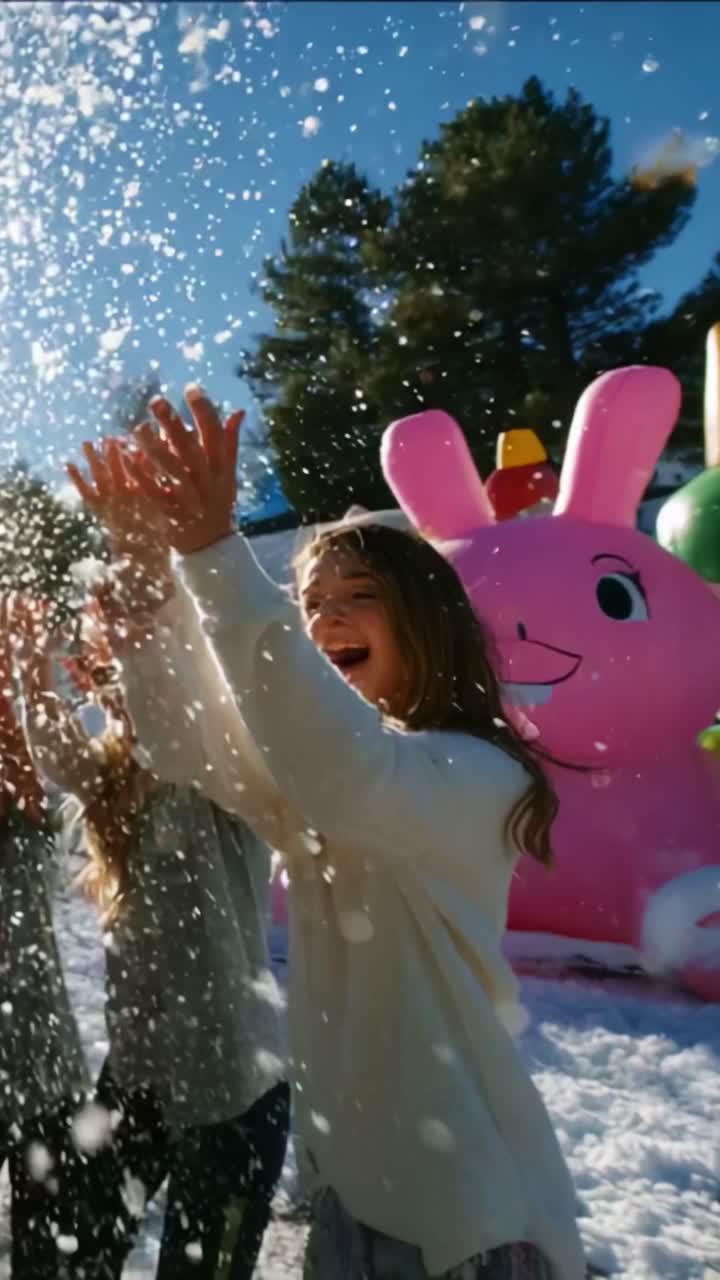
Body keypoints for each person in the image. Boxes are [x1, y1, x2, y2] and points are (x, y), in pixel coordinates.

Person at [67, 388, 586, 1280]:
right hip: (353, 1194)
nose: (327, 618)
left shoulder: (474, 776)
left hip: (468, 1211)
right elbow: (191, 746)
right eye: (310, 603)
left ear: (431, 623)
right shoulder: (335, 777)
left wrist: (210, 551)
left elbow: (349, 779)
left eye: (359, 596)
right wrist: (153, 597)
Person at [12, 592, 289, 1280]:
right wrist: (28, 673)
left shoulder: (222, 771)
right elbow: (60, 754)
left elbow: (170, 712)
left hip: (235, 1099)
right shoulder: (115, 777)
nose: (104, 654)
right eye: (97, 640)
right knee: (79, 1252)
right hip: (140, 1078)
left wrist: (142, 642)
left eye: (124, 639)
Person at [0, 599, 91, 1278]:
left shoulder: (18, 808)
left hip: (35, 1065)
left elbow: (26, 781)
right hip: (38, 1067)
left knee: (47, 1223)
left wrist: (25, 673)